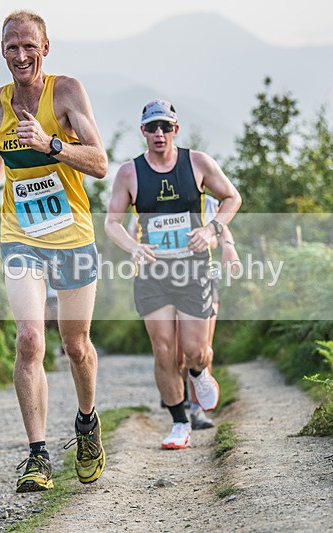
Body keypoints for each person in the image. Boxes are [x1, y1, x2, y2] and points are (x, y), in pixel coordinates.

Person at [0, 10, 108, 492]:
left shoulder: (66, 92)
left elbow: (100, 163)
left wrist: (52, 145)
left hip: (72, 236)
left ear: (45, 48)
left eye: (30, 46)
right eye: (12, 47)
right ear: (2, 51)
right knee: (29, 339)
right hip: (21, 236)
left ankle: (87, 423)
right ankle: (37, 455)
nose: (21, 55)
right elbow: (3, 150)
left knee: (76, 345)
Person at [105, 100, 241, 450]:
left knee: (195, 350)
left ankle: (199, 372)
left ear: (176, 129)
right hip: (152, 272)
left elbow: (231, 198)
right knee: (164, 350)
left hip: (193, 269)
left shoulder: (197, 163)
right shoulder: (129, 173)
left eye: (166, 126)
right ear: (143, 132)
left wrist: (212, 230)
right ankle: (179, 421)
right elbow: (112, 223)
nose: (159, 133)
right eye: (152, 127)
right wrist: (132, 247)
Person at [180, 194, 240, 430]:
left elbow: (223, 229)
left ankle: (197, 410)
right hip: (167, 279)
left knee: (202, 346)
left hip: (204, 279)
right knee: (178, 352)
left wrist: (227, 246)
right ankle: (179, 404)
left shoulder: (209, 202)